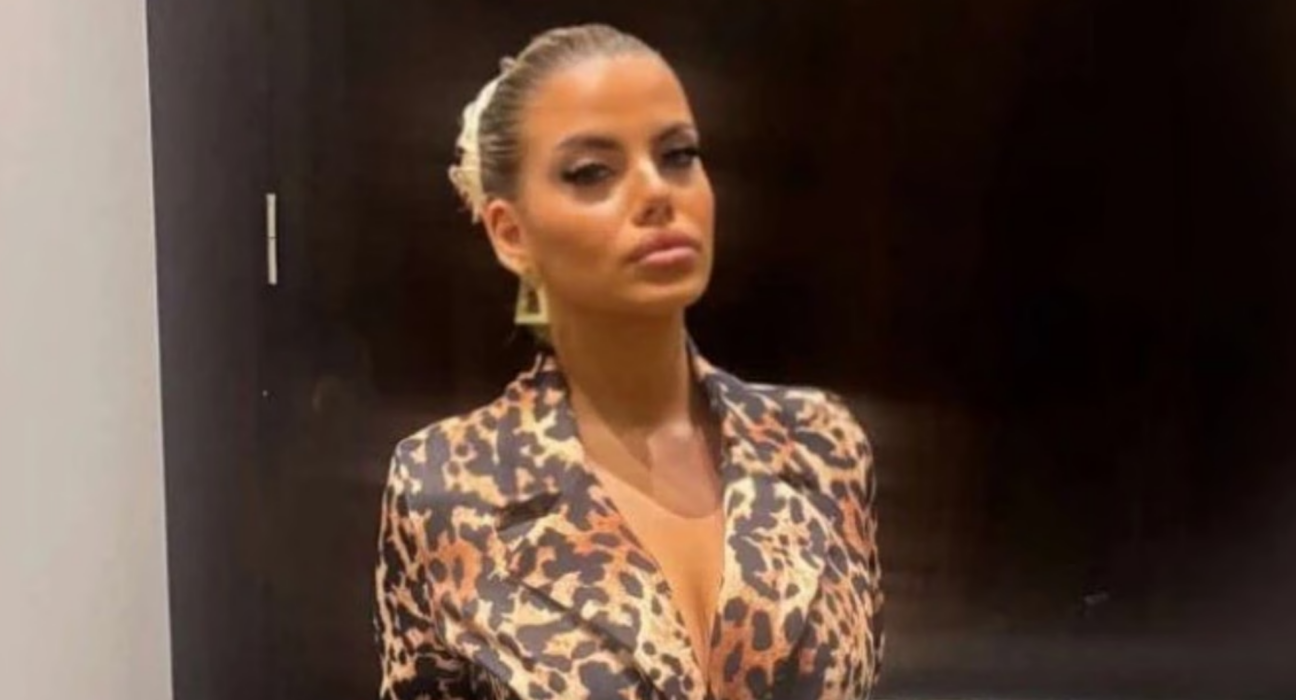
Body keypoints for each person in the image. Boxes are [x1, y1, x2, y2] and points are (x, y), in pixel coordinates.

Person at [373, 23, 883, 700]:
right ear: (511, 233)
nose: (656, 192)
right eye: (592, 172)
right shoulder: (444, 487)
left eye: (678, 155)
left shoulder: (823, 444)